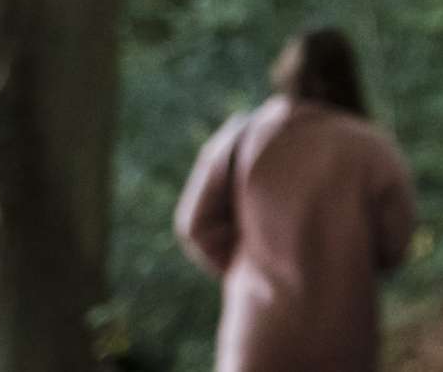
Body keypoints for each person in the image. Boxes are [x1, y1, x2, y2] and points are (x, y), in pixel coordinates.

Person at [175, 28, 418, 372]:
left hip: (257, 332)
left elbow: (194, 223)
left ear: (287, 72)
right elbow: (397, 241)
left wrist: (244, 266)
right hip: (344, 335)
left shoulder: (241, 135)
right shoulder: (372, 148)